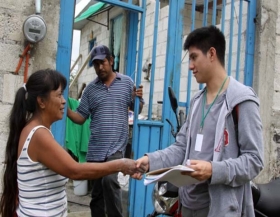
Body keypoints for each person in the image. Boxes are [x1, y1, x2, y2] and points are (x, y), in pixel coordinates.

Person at [133, 25, 264, 217]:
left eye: (194, 57)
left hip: (219, 210)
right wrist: (150, 161)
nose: (190, 66)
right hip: (187, 206)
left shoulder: (242, 101)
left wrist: (213, 170)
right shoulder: (196, 101)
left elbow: (254, 160)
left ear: (212, 54)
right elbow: (181, 148)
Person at [0, 69, 137, 217]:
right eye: (59, 95)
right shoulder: (38, 135)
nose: (64, 100)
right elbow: (75, 171)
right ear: (41, 101)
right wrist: (121, 164)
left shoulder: (35, 130)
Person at [67, 45, 144, 217]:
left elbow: (135, 110)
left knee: (110, 181)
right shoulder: (90, 90)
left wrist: (138, 99)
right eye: (96, 64)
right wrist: (64, 109)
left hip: (116, 147)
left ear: (110, 61)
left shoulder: (126, 83)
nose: (100, 67)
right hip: (96, 149)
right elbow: (80, 117)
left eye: (103, 62)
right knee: (97, 195)